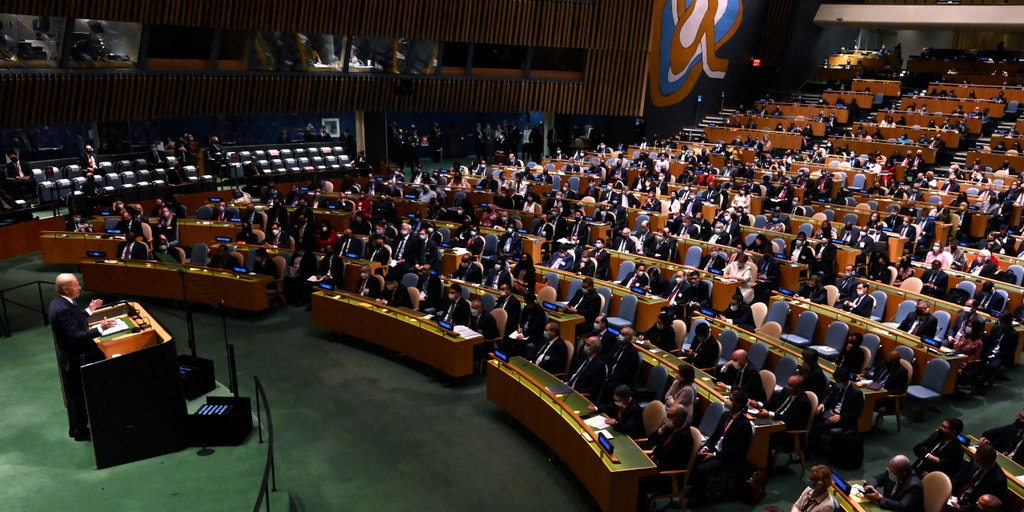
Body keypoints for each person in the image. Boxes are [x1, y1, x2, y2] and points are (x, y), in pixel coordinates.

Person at [49, 274, 116, 441]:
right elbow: (75, 335)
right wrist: (100, 328)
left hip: (70, 355)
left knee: (75, 396)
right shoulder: (64, 308)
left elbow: (74, 320)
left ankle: (76, 429)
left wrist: (89, 310)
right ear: (66, 289)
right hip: (75, 358)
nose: (80, 287)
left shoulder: (60, 302)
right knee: (77, 396)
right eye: (76, 284)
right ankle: (79, 431)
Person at [687, 390, 754, 504]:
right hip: (716, 451)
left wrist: (714, 455)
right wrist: (707, 448)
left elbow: (736, 451)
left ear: (738, 405)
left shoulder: (744, 425)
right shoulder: (725, 415)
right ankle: (694, 489)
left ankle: (700, 498)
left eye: (731, 400)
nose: (727, 401)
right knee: (694, 458)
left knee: (701, 469)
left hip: (728, 458)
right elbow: (714, 436)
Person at [751, 374, 812, 452]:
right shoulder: (786, 391)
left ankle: (766, 462)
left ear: (799, 388)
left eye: (790, 385)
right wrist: (758, 404)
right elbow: (773, 402)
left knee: (762, 434)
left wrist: (769, 414)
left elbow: (790, 419)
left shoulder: (804, 403)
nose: (787, 387)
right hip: (773, 423)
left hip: (787, 433)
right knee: (752, 424)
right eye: (788, 384)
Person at [809, 368, 863, 452]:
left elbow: (857, 412)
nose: (837, 382)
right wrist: (822, 404)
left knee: (818, 426)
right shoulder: (838, 386)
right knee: (812, 415)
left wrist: (841, 417)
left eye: (839, 381)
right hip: (830, 413)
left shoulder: (856, 393)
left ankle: (808, 451)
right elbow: (829, 396)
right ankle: (814, 444)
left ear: (846, 379)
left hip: (842, 419)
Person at [948, 444, 1008, 511]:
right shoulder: (975, 459)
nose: (976, 462)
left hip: (969, 507)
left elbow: (985, 506)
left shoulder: (998, 481)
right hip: (954, 497)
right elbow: (958, 477)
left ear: (990, 462)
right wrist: (949, 490)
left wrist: (960, 508)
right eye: (976, 458)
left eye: (979, 462)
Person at [600, 326, 640, 402]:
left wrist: (609, 378)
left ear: (629, 338)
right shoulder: (616, 344)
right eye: (620, 333)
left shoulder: (632, 353)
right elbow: (609, 359)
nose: (620, 336)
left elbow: (624, 373)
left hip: (621, 380)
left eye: (623, 334)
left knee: (608, 386)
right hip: (611, 374)